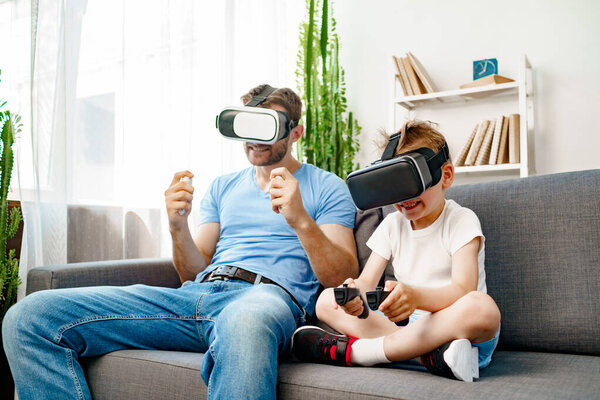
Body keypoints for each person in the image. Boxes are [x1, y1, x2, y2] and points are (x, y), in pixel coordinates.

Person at [2, 84, 359, 399]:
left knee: (245, 323)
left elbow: (340, 275)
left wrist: (300, 220)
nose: (253, 139)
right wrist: (176, 226)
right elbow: (192, 270)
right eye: (247, 125)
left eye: (267, 127)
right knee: (29, 317)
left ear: (295, 132)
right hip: (195, 297)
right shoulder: (224, 187)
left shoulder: (327, 187)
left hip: (265, 300)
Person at [292, 120, 501, 382]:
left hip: (455, 330)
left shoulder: (461, 219)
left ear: (445, 175)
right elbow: (366, 284)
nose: (404, 197)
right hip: (414, 331)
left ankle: (360, 353)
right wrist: (353, 297)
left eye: (410, 181)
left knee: (482, 308)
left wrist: (415, 297)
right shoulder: (392, 224)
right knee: (327, 301)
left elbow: (463, 289)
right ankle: (428, 357)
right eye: (394, 184)